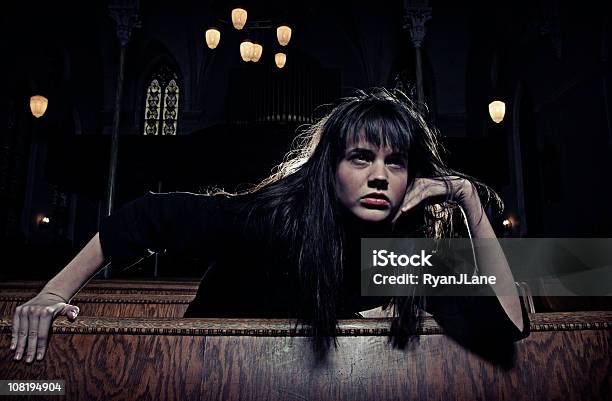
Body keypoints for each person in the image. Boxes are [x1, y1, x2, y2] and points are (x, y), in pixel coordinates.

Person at [10, 88, 529, 363]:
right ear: (331, 168)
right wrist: (53, 293)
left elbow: (509, 324)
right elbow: (148, 216)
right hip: (200, 362)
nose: (378, 175)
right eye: (360, 157)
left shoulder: (397, 253)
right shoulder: (276, 219)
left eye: (395, 162)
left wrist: (467, 199)